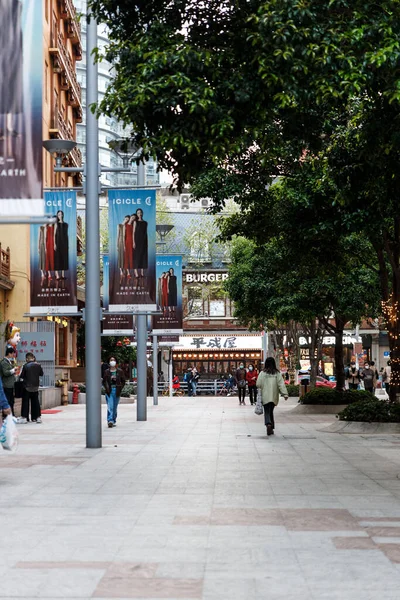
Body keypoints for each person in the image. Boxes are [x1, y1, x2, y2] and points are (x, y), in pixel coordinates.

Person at [256, 357, 288, 436]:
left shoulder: (262, 373)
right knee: (271, 411)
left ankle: (268, 424)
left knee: (267, 411)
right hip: (274, 396)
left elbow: (258, 384)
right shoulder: (277, 373)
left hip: (265, 396)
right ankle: (271, 427)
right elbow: (281, 384)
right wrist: (285, 394)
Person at [19, 352, 43, 423]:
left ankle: (24, 417)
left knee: (25, 402)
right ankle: (36, 417)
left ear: (27, 358)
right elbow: (41, 374)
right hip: (35, 387)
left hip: (27, 387)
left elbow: (21, 376)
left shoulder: (25, 366)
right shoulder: (38, 365)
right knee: (35, 402)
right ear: (33, 358)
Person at [102, 357, 126, 428]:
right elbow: (104, 381)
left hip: (117, 390)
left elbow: (123, 381)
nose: (113, 361)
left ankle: (113, 419)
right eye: (111, 360)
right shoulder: (106, 371)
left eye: (114, 360)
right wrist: (106, 388)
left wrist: (120, 387)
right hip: (109, 390)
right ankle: (110, 420)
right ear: (109, 362)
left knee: (115, 407)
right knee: (110, 406)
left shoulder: (120, 371)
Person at [0, 345, 17, 417]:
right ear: (9, 353)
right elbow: (6, 373)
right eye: (12, 353)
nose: (13, 355)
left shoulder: (9, 361)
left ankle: (11, 415)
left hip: (10, 385)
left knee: (11, 401)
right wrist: (13, 370)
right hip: (6, 385)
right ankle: (7, 416)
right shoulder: (4, 362)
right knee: (8, 401)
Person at [133, 208, 148, 277]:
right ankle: (136, 273)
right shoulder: (135, 222)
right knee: (136, 256)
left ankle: (142, 273)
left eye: (140, 212)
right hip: (137, 240)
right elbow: (133, 233)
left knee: (143, 255)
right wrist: (134, 242)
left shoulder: (145, 223)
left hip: (143, 241)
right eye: (138, 213)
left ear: (142, 213)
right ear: (137, 214)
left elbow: (145, 233)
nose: (139, 214)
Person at [54, 210, 69, 280]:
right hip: (58, 242)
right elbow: (54, 235)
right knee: (57, 258)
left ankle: (62, 275)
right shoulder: (55, 224)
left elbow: (66, 235)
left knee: (64, 257)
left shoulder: (66, 224)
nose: (59, 216)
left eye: (60, 214)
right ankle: (56, 274)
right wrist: (54, 244)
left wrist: (67, 244)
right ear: (57, 215)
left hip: (64, 243)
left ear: (62, 215)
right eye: (58, 214)